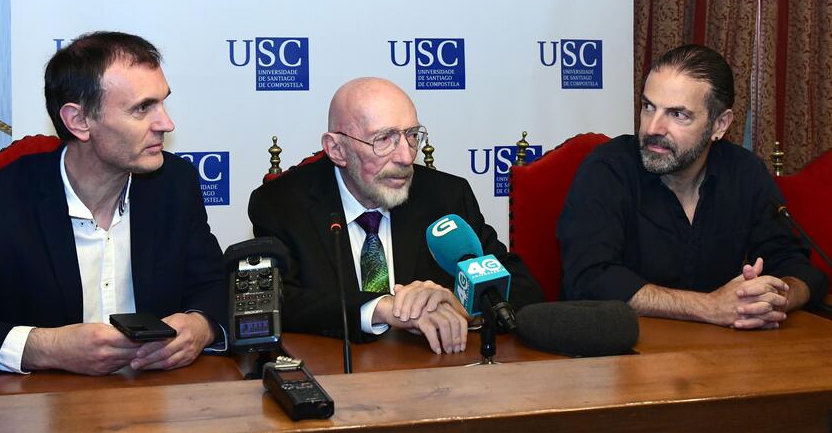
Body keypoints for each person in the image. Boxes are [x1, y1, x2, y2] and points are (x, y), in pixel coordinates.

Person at [0, 31, 227, 375]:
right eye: (143, 108)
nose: (166, 123)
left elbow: (215, 285)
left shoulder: (175, 184)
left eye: (162, 102)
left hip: (155, 404)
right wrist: (46, 348)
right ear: (79, 121)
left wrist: (201, 326)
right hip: (37, 407)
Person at [248, 77, 542, 354]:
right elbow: (273, 300)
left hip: (432, 377)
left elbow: (521, 287)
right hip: (334, 377)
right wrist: (381, 307)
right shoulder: (282, 204)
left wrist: (466, 308)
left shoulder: (446, 196)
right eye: (384, 139)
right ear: (337, 149)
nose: (405, 157)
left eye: (412, 136)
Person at [558, 44, 828, 329]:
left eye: (678, 115)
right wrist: (709, 307)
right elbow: (589, 279)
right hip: (622, 358)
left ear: (719, 125)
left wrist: (774, 299)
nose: (653, 129)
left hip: (717, 358)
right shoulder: (607, 170)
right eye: (649, 107)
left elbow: (795, 265)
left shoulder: (744, 174)